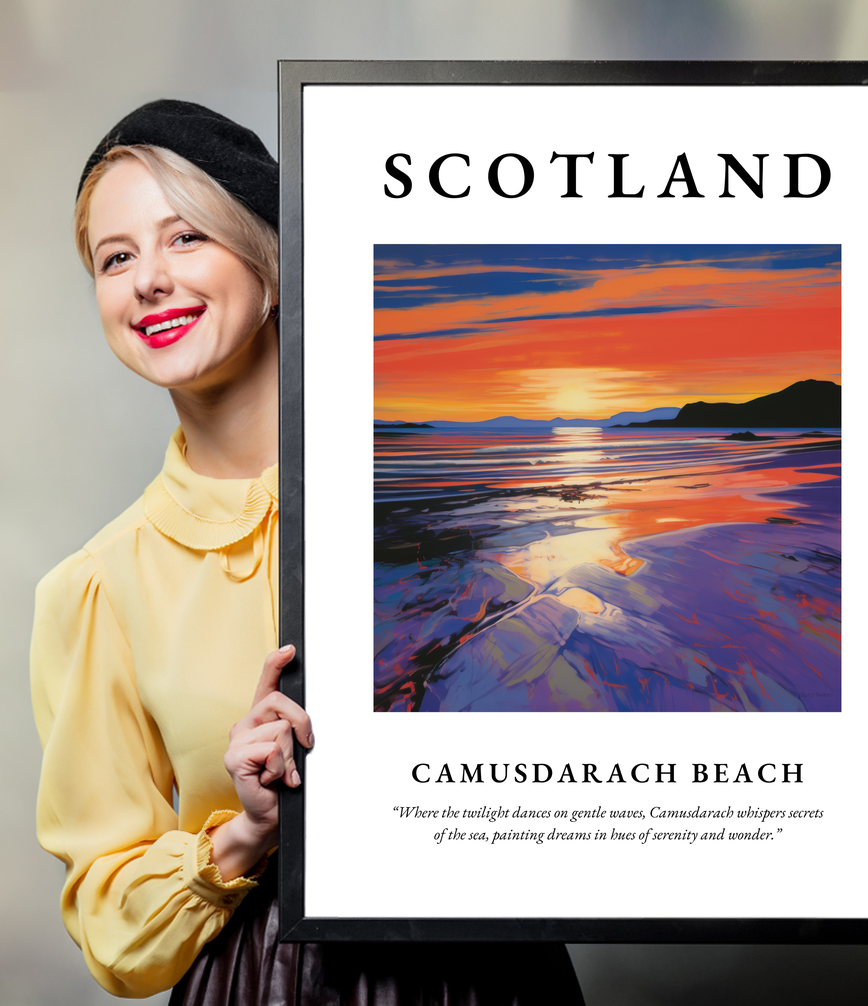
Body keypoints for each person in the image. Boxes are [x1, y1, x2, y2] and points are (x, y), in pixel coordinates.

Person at [30, 100, 586, 1004]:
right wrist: (245, 832)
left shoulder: (451, 501)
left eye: (185, 238)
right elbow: (110, 922)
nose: (148, 281)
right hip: (262, 982)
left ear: (272, 263)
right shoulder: (97, 587)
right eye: (116, 257)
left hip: (491, 973)